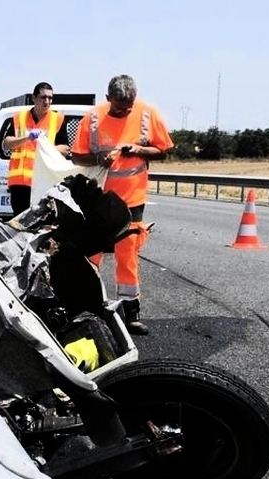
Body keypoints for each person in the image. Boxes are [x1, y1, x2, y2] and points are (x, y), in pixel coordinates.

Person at [70, 74, 173, 335]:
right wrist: (98, 157)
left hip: (132, 200)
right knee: (90, 256)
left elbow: (163, 151)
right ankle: (87, 310)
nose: (124, 111)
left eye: (128, 107)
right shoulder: (93, 118)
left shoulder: (148, 114)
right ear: (108, 99)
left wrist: (139, 150)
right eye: (118, 107)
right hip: (97, 200)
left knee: (128, 257)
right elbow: (77, 156)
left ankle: (131, 313)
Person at [2, 82, 71, 216]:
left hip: (44, 181)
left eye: (50, 98)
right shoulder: (19, 118)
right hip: (20, 183)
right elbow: (6, 144)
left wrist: (46, 147)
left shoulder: (58, 119)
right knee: (20, 222)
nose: (47, 101)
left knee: (43, 223)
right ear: (34, 98)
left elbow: (65, 148)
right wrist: (27, 137)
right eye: (43, 97)